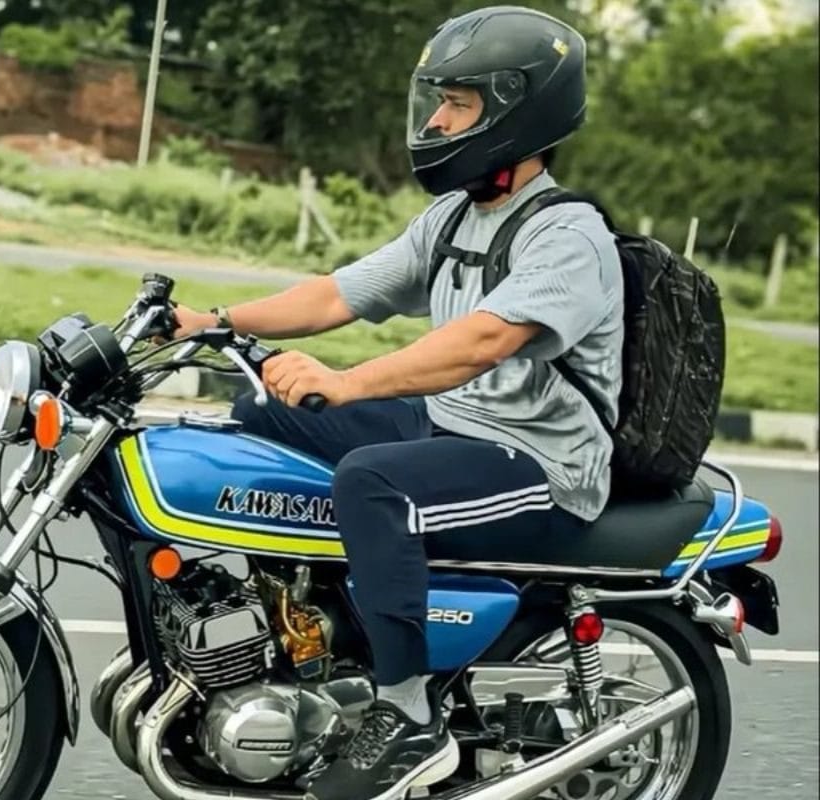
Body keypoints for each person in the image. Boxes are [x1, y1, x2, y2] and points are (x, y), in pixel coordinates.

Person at [172, 6, 624, 800]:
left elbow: (481, 342)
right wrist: (211, 322)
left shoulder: (567, 237)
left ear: (518, 115)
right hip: (453, 425)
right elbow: (337, 294)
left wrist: (348, 381)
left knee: (372, 483)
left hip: (539, 464)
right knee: (261, 415)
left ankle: (409, 715)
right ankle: (309, 633)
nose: (438, 121)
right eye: (440, 102)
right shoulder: (456, 217)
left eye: (459, 105)